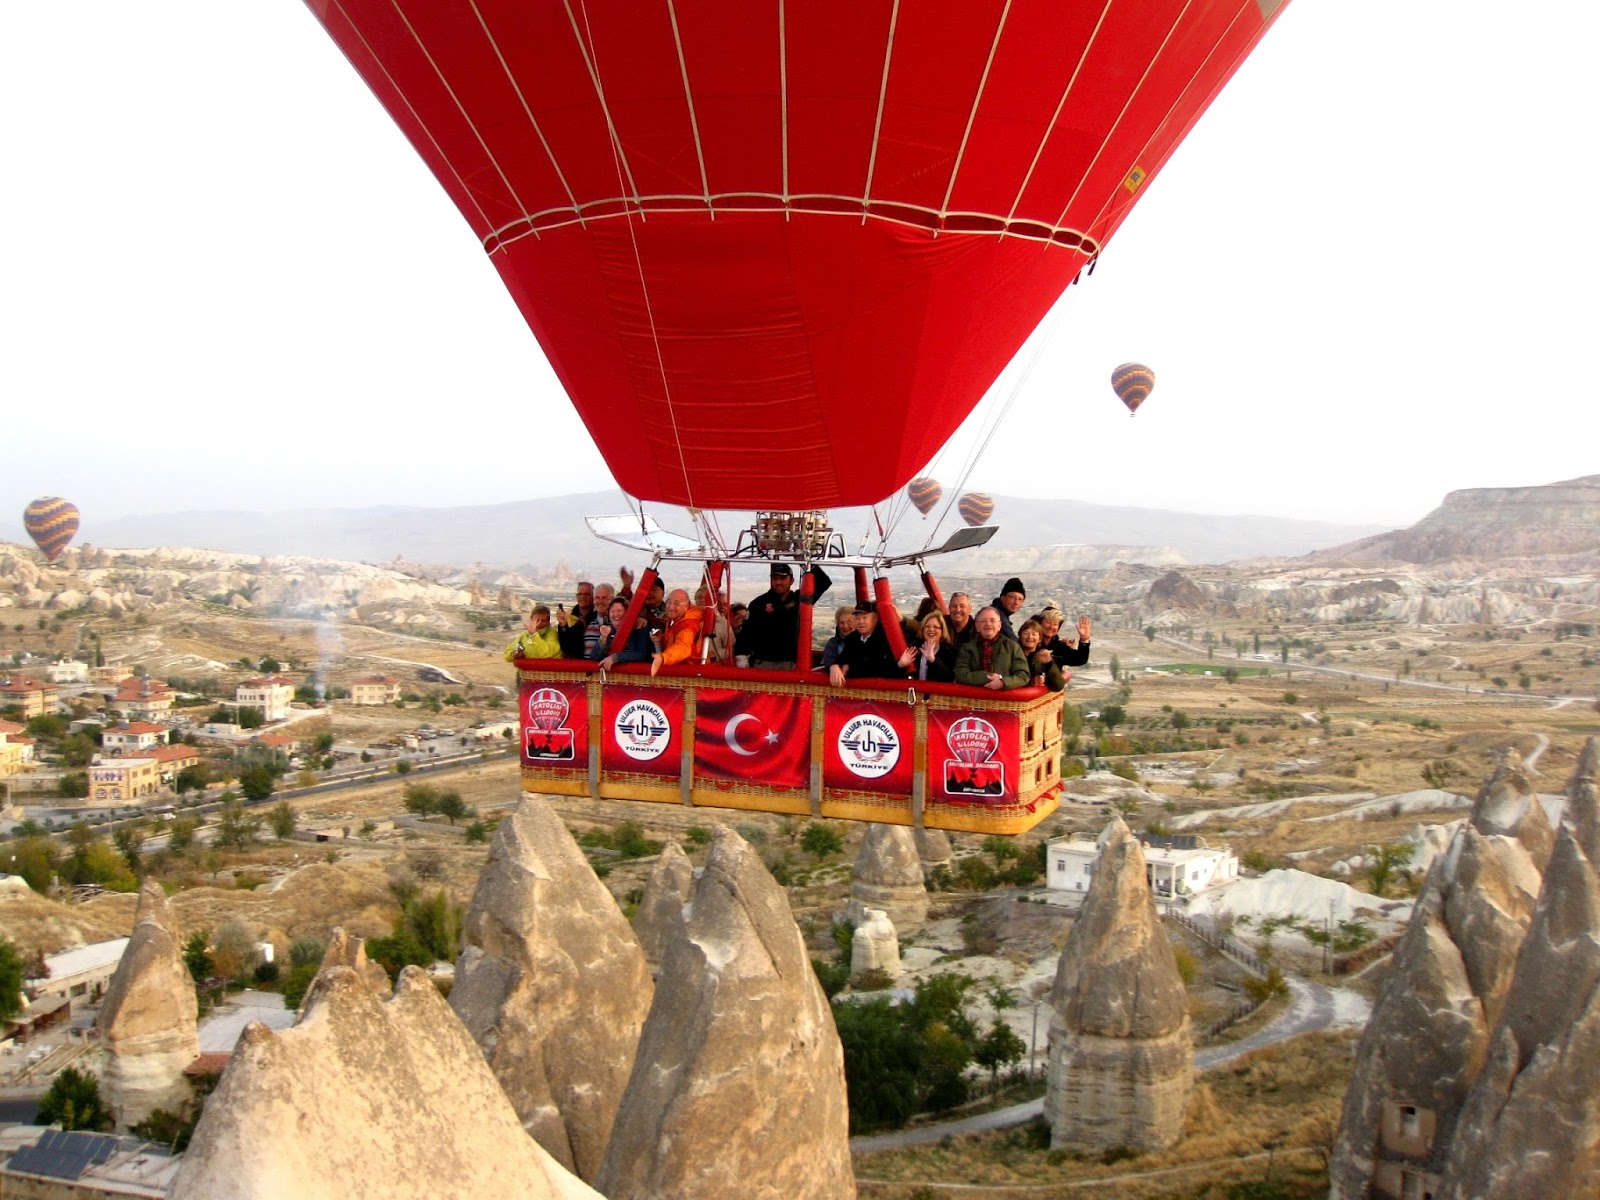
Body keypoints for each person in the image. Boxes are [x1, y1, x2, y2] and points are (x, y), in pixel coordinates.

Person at [954, 606, 1032, 690]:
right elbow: (960, 674)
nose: (988, 624)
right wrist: (988, 677)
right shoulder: (967, 648)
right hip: (973, 700)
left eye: (992, 620)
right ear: (977, 626)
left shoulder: (1012, 646)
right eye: (983, 621)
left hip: (1005, 700)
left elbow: (1023, 675)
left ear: (999, 625)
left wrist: (1003, 682)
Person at [829, 603, 903, 686]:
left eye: (864, 618)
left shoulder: (886, 638)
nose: (861, 622)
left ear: (875, 618)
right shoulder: (852, 638)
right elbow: (843, 658)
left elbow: (880, 669)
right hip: (856, 691)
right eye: (857, 618)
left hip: (882, 692)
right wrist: (834, 666)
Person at [650, 588, 703, 676]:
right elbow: (675, 641)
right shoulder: (675, 620)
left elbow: (684, 647)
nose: (671, 607)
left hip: (687, 674)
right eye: (669, 602)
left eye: (676, 604)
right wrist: (662, 638)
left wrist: (664, 657)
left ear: (686, 606)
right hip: (677, 670)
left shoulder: (688, 625)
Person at [898, 610, 957, 683]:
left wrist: (933, 660)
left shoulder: (949, 651)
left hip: (936, 693)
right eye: (927, 626)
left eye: (936, 627)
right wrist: (900, 665)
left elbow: (951, 677)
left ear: (942, 631)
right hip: (915, 692)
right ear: (922, 630)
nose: (931, 630)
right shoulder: (914, 648)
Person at [594, 598, 654, 670]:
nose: (616, 614)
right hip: (612, 678)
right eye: (612, 611)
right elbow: (595, 656)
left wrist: (615, 658)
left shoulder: (640, 628)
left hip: (636, 676)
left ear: (627, 613)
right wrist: (602, 638)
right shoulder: (609, 632)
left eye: (619, 611)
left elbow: (642, 655)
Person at [1017, 618, 1065, 691]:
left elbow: (1058, 686)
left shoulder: (1042, 657)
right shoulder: (1013, 654)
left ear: (1039, 639)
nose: (1030, 637)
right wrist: (1031, 682)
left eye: (1034, 634)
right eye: (1026, 633)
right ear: (1020, 637)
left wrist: (1049, 663)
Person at [556, 581, 600, 657]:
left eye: (587, 594)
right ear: (576, 596)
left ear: (593, 596)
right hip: (573, 663)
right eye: (580, 594)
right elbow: (564, 644)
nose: (582, 597)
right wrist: (563, 625)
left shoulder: (599, 615)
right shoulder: (569, 616)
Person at [819, 606, 855, 670]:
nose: (845, 626)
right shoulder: (832, 643)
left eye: (849, 621)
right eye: (842, 622)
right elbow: (828, 660)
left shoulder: (863, 641)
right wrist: (833, 666)